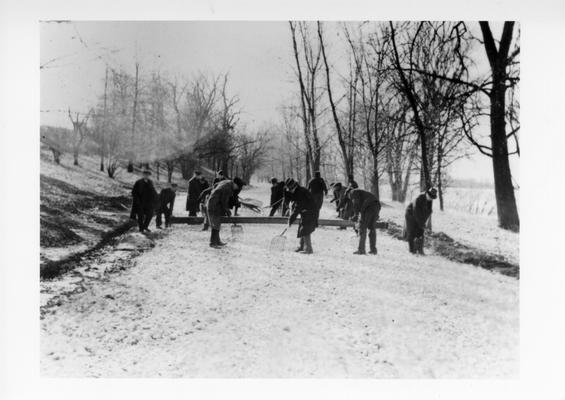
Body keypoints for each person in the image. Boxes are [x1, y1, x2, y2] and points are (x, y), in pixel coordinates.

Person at [206, 177, 246, 248]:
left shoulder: (227, 182)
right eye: (237, 187)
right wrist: (227, 211)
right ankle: (212, 243)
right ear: (235, 184)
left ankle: (217, 241)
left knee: (217, 223)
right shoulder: (227, 188)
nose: (237, 189)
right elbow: (224, 201)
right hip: (214, 205)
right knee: (215, 223)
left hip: (214, 203)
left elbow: (215, 185)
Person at [285, 178, 317, 254]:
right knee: (301, 228)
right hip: (305, 212)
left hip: (310, 212)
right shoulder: (298, 191)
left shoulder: (300, 192)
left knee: (305, 229)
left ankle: (308, 249)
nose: (289, 190)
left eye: (290, 189)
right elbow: (296, 204)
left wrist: (291, 219)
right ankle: (302, 246)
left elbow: (298, 207)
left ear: (293, 187)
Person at [404, 187, 437, 254]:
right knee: (412, 231)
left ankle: (420, 250)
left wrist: (423, 223)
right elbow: (416, 212)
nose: (431, 198)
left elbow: (428, 212)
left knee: (420, 232)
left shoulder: (429, 200)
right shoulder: (419, 198)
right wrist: (421, 223)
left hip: (419, 215)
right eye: (430, 196)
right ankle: (412, 250)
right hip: (410, 214)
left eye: (432, 197)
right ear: (427, 193)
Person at [349, 188, 381, 255]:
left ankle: (361, 250)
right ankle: (373, 250)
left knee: (362, 227)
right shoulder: (361, 192)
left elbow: (356, 203)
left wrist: (355, 215)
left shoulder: (353, 192)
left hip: (368, 207)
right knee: (372, 228)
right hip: (376, 206)